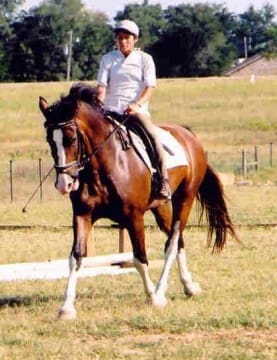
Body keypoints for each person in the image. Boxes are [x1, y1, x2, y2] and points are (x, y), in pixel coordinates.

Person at [96, 19, 171, 200]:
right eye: (120, 37)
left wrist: (137, 105)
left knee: (152, 137)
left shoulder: (145, 59)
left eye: (127, 37)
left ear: (135, 39)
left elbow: (150, 87)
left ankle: (163, 181)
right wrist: (99, 104)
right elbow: (101, 87)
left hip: (136, 112)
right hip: (111, 110)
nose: (122, 41)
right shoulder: (108, 59)